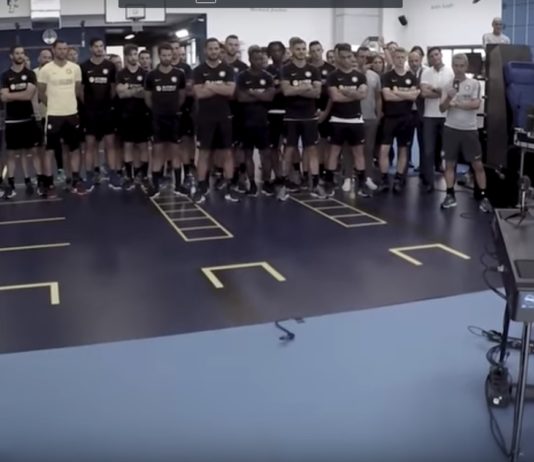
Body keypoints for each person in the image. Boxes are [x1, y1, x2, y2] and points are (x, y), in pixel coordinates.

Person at [439, 53, 491, 213]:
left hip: (469, 130)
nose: (458, 69)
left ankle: (483, 197)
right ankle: (450, 195)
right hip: (451, 129)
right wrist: (449, 99)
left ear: (466, 66)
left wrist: (457, 104)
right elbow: (442, 108)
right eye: (456, 65)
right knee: (449, 164)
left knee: (477, 165)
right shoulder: (447, 85)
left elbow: (475, 104)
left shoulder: (474, 84)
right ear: (452, 66)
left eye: (461, 66)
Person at [37, 39, 86, 195]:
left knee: (74, 149)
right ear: (53, 50)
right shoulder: (46, 70)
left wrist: (67, 103)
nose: (62, 51)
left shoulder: (75, 68)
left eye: (65, 49)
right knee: (50, 150)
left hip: (71, 114)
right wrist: (53, 104)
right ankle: (49, 183)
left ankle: (75, 180)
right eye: (59, 49)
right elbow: (40, 93)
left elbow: (77, 90)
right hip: (53, 115)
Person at [192, 38, 237, 204]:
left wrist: (209, 86)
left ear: (220, 50)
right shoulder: (198, 71)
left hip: (224, 117)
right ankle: (201, 187)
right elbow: (199, 93)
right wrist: (220, 87)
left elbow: (230, 91)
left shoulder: (228, 69)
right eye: (210, 48)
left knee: (227, 152)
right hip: (205, 117)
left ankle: (230, 188)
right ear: (205, 50)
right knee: (204, 153)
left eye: (216, 48)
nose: (213, 51)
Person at [279, 37, 322, 200]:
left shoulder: (313, 70)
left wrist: (296, 89)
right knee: (289, 150)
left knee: (312, 150)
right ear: (291, 50)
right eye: (298, 49)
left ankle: (315, 185)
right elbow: (286, 92)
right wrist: (305, 87)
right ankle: (283, 185)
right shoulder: (286, 69)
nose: (301, 52)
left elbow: (316, 93)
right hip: (291, 116)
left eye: (304, 49)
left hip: (309, 116)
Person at [325, 43, 368, 198]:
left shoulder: (360, 76)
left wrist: (344, 91)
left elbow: (363, 95)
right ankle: (329, 183)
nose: (346, 60)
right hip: (337, 119)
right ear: (338, 58)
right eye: (343, 57)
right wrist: (353, 93)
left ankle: (362, 184)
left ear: (352, 56)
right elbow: (335, 97)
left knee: (358, 153)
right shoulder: (332, 76)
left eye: (349, 57)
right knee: (334, 152)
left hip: (356, 119)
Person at [144, 43, 186, 199]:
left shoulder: (179, 74)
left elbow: (182, 95)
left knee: (175, 151)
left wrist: (173, 109)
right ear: (159, 56)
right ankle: (155, 186)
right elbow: (148, 98)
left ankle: (178, 185)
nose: (167, 58)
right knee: (158, 151)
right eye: (164, 55)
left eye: (169, 55)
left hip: (174, 118)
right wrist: (158, 110)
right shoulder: (151, 75)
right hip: (157, 118)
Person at [0, 45, 43, 198]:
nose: (20, 56)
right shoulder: (5, 75)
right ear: (11, 56)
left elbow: (28, 95)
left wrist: (11, 95)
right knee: (11, 154)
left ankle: (34, 183)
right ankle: (11, 186)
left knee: (31, 152)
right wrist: (21, 94)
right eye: (17, 53)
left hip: (28, 119)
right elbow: (3, 97)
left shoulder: (30, 74)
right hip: (12, 120)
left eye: (22, 53)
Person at [377, 47, 419, 193]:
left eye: (402, 57)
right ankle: (384, 179)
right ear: (393, 59)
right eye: (397, 57)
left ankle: (398, 179)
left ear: (405, 59)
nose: (400, 60)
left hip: (406, 118)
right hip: (390, 118)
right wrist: (405, 93)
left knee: (403, 149)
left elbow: (414, 97)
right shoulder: (387, 76)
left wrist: (396, 92)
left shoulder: (411, 77)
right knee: (384, 149)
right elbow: (387, 96)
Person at [80, 38, 119, 189]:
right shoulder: (84, 66)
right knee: (90, 145)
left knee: (110, 144)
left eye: (101, 46)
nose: (99, 49)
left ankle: (113, 174)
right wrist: (89, 105)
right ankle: (89, 176)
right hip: (90, 112)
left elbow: (113, 87)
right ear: (91, 48)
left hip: (106, 111)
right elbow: (80, 90)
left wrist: (107, 104)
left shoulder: (110, 66)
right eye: (96, 46)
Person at [236, 46, 275, 196]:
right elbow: (241, 98)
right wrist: (260, 94)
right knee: (248, 154)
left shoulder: (268, 77)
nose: (259, 61)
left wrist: (252, 92)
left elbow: (269, 97)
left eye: (261, 59)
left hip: (263, 122)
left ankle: (267, 182)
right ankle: (251, 183)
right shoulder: (242, 76)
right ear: (250, 59)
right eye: (256, 59)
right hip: (246, 122)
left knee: (266, 154)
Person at [116, 44, 150, 191]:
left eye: (135, 54)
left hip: (142, 115)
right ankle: (129, 177)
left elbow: (145, 94)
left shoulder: (145, 73)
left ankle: (143, 176)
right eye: (130, 54)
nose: (133, 57)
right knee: (128, 146)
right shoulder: (121, 74)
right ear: (126, 56)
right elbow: (120, 94)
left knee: (143, 146)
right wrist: (137, 89)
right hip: (126, 115)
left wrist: (129, 89)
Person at [420, 47, 454, 192]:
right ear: (429, 58)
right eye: (431, 56)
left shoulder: (450, 72)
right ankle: (429, 182)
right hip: (429, 116)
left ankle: (450, 184)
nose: (434, 58)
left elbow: (453, 93)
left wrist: (434, 89)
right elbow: (424, 93)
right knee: (428, 151)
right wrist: (442, 92)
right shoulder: (426, 72)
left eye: (436, 54)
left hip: (447, 116)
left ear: (441, 55)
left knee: (448, 151)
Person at [354, 46, 381, 192]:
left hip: (370, 117)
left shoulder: (374, 76)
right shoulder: (350, 74)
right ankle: (351, 177)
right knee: (352, 149)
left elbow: (378, 97)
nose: (364, 59)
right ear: (356, 57)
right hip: (353, 117)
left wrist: (378, 114)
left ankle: (368, 177)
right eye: (361, 56)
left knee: (368, 149)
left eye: (367, 57)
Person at [309, 40, 335, 184]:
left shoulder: (331, 69)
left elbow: (333, 94)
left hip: (327, 110)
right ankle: (315, 172)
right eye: (313, 51)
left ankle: (327, 172)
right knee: (313, 144)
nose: (316, 53)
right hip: (310, 110)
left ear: (322, 50)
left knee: (327, 143)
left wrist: (325, 112)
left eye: (318, 50)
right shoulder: (306, 69)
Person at [265, 41, 287, 196]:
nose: (276, 53)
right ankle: (277, 176)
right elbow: (268, 92)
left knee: (290, 147)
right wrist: (282, 88)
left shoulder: (290, 69)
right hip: (272, 112)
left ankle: (289, 175)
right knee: (273, 147)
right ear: (269, 53)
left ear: (283, 51)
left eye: (279, 50)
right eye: (273, 51)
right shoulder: (266, 72)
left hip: (290, 112)